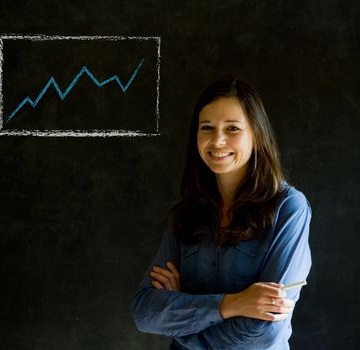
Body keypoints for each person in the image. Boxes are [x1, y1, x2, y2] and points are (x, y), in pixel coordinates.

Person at [132, 75, 312, 350]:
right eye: (207, 128)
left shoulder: (289, 208)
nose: (217, 141)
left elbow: (266, 329)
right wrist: (231, 304)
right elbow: (145, 312)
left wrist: (183, 318)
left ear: (256, 135)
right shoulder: (184, 214)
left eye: (232, 128)